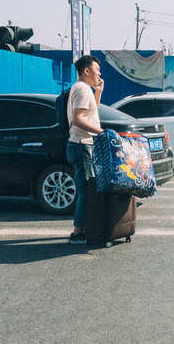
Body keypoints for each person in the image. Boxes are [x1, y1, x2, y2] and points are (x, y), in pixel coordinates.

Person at [66, 55, 104, 244]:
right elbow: (78, 119)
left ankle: (82, 228)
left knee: (87, 189)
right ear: (86, 71)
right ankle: (78, 232)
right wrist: (101, 131)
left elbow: (90, 112)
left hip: (81, 145)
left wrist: (98, 92)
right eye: (97, 70)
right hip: (81, 146)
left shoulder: (84, 89)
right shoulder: (81, 89)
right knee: (85, 191)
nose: (99, 74)